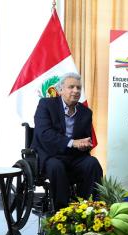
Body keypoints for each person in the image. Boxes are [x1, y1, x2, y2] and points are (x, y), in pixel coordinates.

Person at [31, 72, 102, 210]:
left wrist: (84, 145)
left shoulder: (86, 112)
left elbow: (86, 137)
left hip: (75, 156)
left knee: (92, 163)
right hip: (51, 154)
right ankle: (62, 211)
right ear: (60, 90)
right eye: (71, 87)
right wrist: (72, 142)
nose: (76, 91)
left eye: (78, 88)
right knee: (56, 166)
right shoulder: (46, 105)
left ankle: (87, 207)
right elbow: (44, 134)